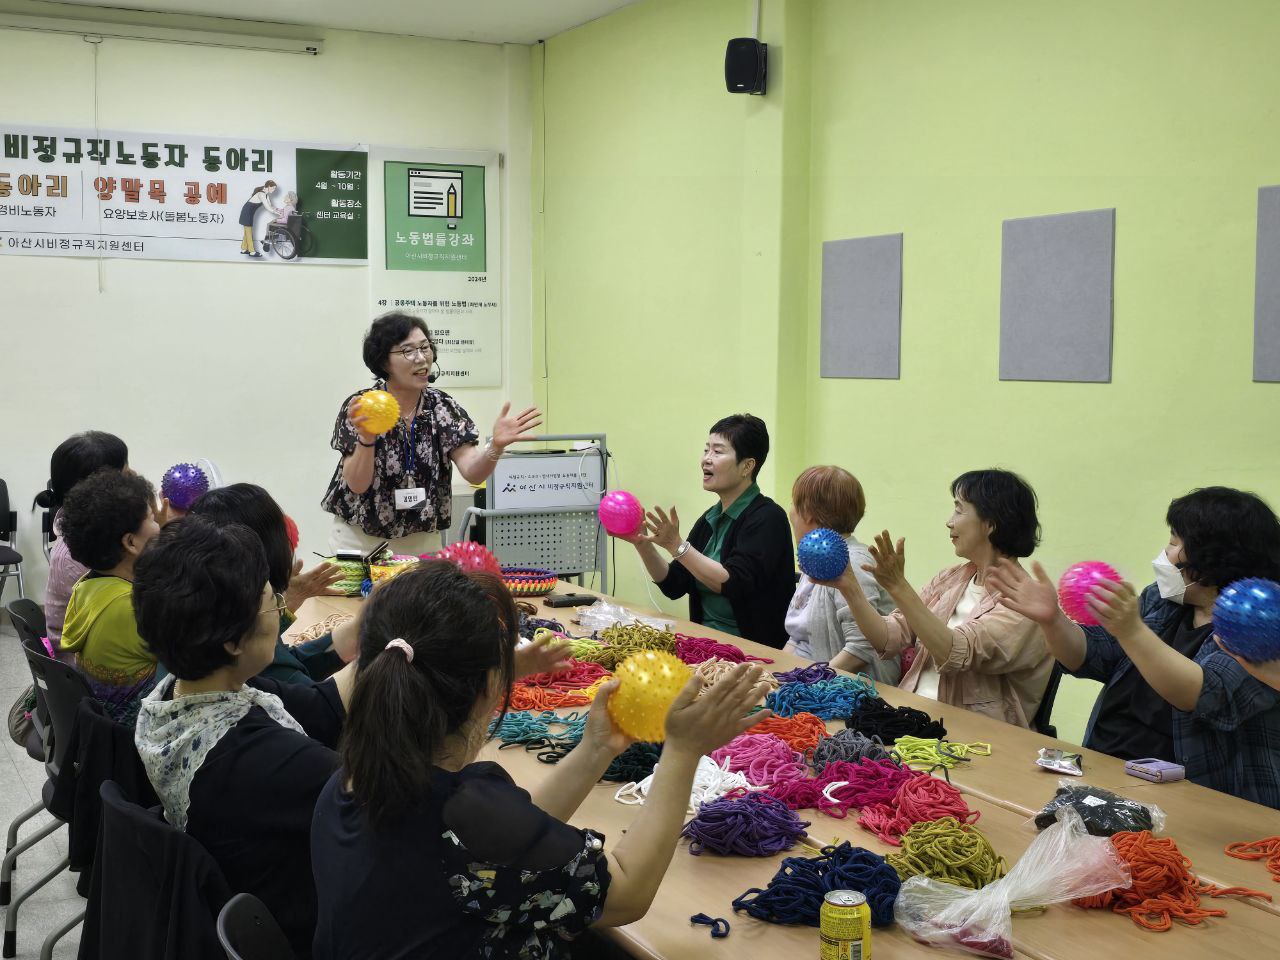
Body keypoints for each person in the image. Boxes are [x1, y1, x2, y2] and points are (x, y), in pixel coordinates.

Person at [310, 560, 770, 960]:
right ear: (490, 689)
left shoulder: (347, 782)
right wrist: (683, 752)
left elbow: (513, 843)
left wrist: (596, 749)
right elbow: (627, 894)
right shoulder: (465, 814)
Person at [132, 516, 356, 958]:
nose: (279, 607)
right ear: (234, 640)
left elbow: (323, 703)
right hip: (308, 921)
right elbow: (391, 798)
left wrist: (390, 630)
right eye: (272, 599)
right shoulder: (262, 757)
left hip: (245, 889)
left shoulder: (182, 695)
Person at [988, 486, 1280, 807]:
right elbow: (1096, 656)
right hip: (1109, 768)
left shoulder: (1259, 622)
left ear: (1213, 556)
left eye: (1174, 542)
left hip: (1199, 794)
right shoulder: (1163, 599)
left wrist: (1131, 630)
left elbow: (1207, 694)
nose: (1165, 553)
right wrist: (1052, 620)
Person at [830, 469, 1052, 727]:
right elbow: (888, 637)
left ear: (990, 524)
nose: (949, 521)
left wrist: (899, 587)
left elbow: (955, 654)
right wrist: (849, 588)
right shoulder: (951, 578)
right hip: (910, 716)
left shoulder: (1025, 602)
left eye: (959, 510)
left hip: (973, 739)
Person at [321, 312, 544, 555]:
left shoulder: (442, 407)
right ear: (384, 362)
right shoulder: (362, 407)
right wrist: (367, 439)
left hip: (422, 541)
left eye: (425, 347)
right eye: (408, 351)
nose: (421, 358)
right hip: (360, 541)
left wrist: (496, 447)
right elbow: (356, 484)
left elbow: (472, 471)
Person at [615, 414, 795, 648]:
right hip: (705, 644)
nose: (706, 460)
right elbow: (674, 585)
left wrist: (677, 546)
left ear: (747, 466)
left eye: (718, 452)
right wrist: (642, 543)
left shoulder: (768, 518)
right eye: (706, 450)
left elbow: (734, 583)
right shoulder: (711, 516)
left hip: (750, 653)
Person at [189, 483, 353, 685]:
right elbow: (316, 703)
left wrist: (363, 626)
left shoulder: (194, 615)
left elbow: (290, 664)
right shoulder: (247, 644)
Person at [59, 468, 162, 725]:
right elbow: (192, 661)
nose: (159, 524)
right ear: (130, 543)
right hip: (136, 736)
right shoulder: (133, 607)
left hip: (103, 726)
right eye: (152, 517)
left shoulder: (88, 586)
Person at [785, 466, 899, 682]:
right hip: (812, 676)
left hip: (845, 691)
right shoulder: (817, 559)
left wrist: (804, 686)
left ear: (808, 512)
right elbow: (798, 638)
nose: (790, 511)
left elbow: (860, 650)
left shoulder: (851, 563)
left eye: (793, 503)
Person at [35, 431, 130, 658]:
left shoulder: (87, 527)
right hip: (84, 660)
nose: (134, 475)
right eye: (126, 473)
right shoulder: (79, 551)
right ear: (99, 489)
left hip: (97, 640)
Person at [238, 180, 278, 257]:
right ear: (268, 187)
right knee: (248, 232)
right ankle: (252, 251)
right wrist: (277, 213)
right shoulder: (261, 194)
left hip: (249, 213)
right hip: (246, 213)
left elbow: (270, 206)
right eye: (273, 188)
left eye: (274, 189)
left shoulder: (266, 195)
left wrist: (278, 210)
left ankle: (243, 249)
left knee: (247, 231)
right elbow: (268, 208)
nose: (274, 190)